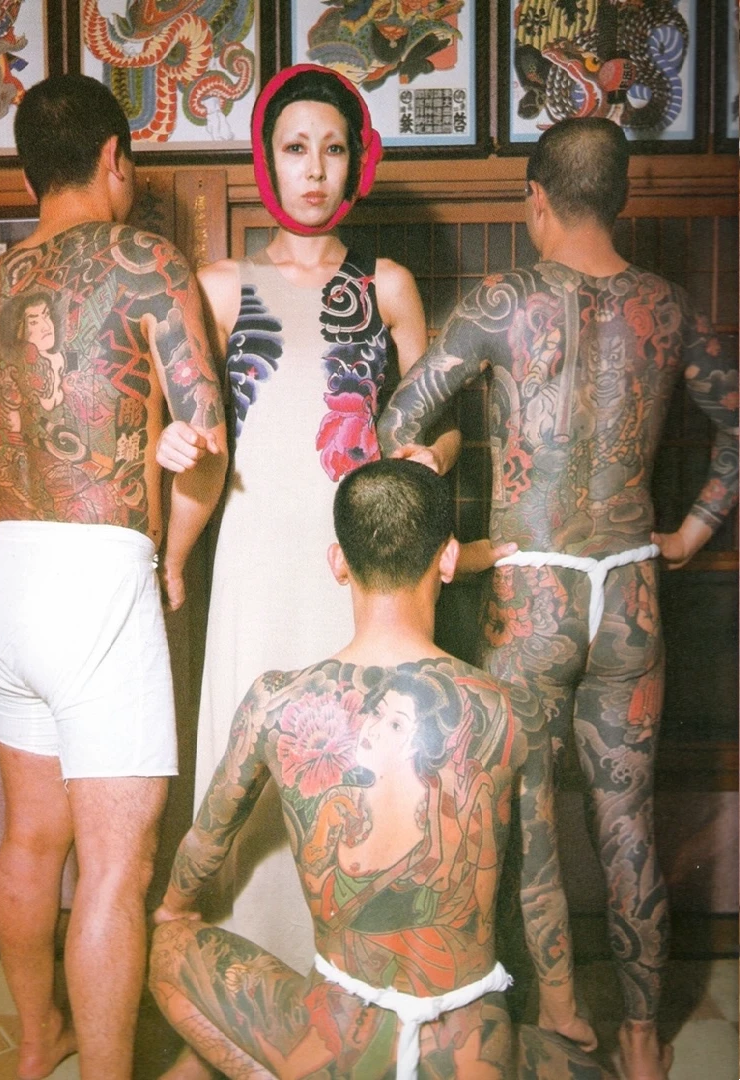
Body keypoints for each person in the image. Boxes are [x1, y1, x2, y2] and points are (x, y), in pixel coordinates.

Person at [377, 117, 739, 1080]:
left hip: (531, 593)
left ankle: (565, 1013)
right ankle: (643, 1041)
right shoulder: (668, 307)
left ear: (535, 198)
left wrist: (445, 543)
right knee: (627, 821)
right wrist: (692, 532)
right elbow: (738, 427)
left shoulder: (500, 303)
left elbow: (399, 421)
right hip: (630, 593)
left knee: (530, 811)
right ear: (621, 197)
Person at [149, 457, 605, 1080]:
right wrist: (562, 1010)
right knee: (574, 1059)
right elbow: (540, 887)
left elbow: (205, 843)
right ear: (449, 558)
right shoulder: (511, 710)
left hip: (340, 1044)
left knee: (169, 947)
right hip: (472, 1052)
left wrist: (172, 908)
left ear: (338, 562)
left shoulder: (276, 702)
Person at [0, 74, 228, 1080]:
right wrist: (173, 559)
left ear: (30, 171)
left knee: (32, 840)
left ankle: (37, 1047)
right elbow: (204, 441)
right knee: (117, 864)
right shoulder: (145, 262)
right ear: (116, 158)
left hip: (6, 574)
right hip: (97, 565)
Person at [155, 64, 460, 977]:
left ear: (356, 161)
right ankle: (249, 983)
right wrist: (171, 444)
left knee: (359, 758)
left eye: (332, 149)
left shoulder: (388, 285)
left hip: (355, 561)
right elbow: (187, 425)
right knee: (245, 762)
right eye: (295, 148)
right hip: (251, 555)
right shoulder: (218, 286)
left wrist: (427, 456)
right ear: (267, 160)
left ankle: (357, 980)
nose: (315, 169)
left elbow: (443, 425)